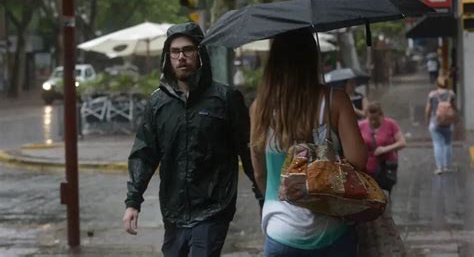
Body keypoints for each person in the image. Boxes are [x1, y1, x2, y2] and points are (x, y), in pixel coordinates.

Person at [122, 22, 262, 256]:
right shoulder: (158, 103)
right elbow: (144, 154)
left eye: (188, 50)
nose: (181, 57)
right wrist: (132, 202)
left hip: (213, 209)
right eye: (175, 52)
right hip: (174, 212)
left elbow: (248, 151)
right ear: (168, 57)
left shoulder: (225, 99)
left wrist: (263, 196)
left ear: (200, 54)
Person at [249, 29, 367, 256]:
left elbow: (260, 174)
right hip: (332, 230)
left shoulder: (259, 109)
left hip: (280, 231)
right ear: (312, 58)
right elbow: (358, 161)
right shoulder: (335, 100)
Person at [358, 101, 406, 194]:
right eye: (370, 119)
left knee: (384, 193)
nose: (373, 122)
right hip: (367, 168)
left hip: (386, 167)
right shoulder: (361, 125)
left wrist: (385, 149)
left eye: (376, 119)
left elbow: (402, 143)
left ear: (381, 115)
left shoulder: (391, 124)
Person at [425, 75, 457, 175]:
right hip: (448, 123)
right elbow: (454, 107)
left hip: (435, 123)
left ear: (437, 84)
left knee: (437, 144)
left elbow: (428, 110)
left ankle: (439, 168)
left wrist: (427, 120)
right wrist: (455, 118)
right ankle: (447, 167)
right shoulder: (451, 94)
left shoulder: (432, 95)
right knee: (448, 144)